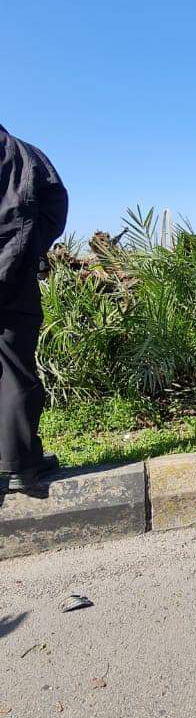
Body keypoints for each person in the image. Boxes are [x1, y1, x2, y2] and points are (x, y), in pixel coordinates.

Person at [0, 125, 68, 491]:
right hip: (12, 276)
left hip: (13, 270)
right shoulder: (24, 155)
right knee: (14, 370)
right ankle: (19, 465)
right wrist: (31, 249)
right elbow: (55, 203)